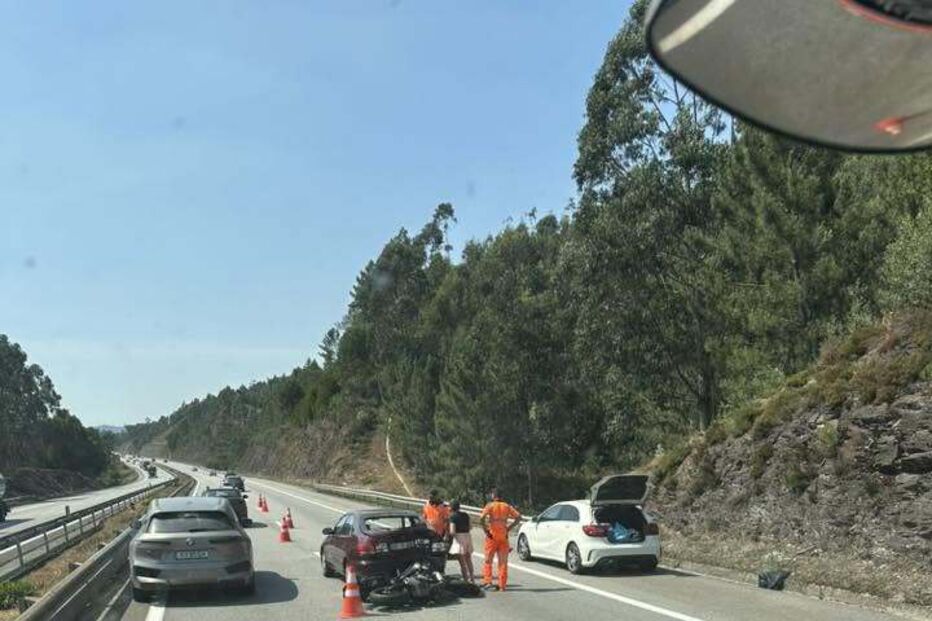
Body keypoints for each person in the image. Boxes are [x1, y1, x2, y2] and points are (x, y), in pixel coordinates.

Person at [478, 487, 521, 591]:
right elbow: (519, 517)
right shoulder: (507, 506)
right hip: (503, 536)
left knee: (488, 560)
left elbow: (481, 518)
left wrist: (486, 530)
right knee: (503, 562)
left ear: (493, 495)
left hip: (492, 536)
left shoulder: (490, 505)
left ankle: (488, 582)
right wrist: (508, 528)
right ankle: (502, 585)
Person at [448, 501, 474, 583]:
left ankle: (466, 580)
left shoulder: (452, 517)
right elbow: (470, 527)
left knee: (462, 562)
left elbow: (452, 531)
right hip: (467, 536)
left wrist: (448, 537)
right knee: (468, 559)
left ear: (451, 508)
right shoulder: (466, 515)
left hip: (459, 538)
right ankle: (472, 578)